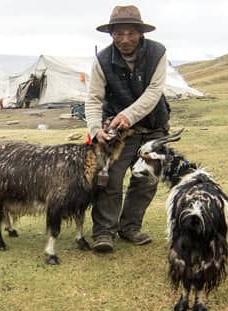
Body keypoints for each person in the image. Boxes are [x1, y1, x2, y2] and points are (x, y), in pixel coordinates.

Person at [86, 5, 171, 252]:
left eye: (130, 33)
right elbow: (93, 99)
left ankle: (130, 227)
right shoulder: (101, 60)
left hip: (154, 126)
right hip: (117, 131)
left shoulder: (158, 53)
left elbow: (154, 91)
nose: (125, 40)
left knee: (146, 178)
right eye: (118, 34)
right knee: (109, 177)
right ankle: (103, 232)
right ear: (111, 34)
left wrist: (128, 114)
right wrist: (94, 129)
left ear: (140, 33)